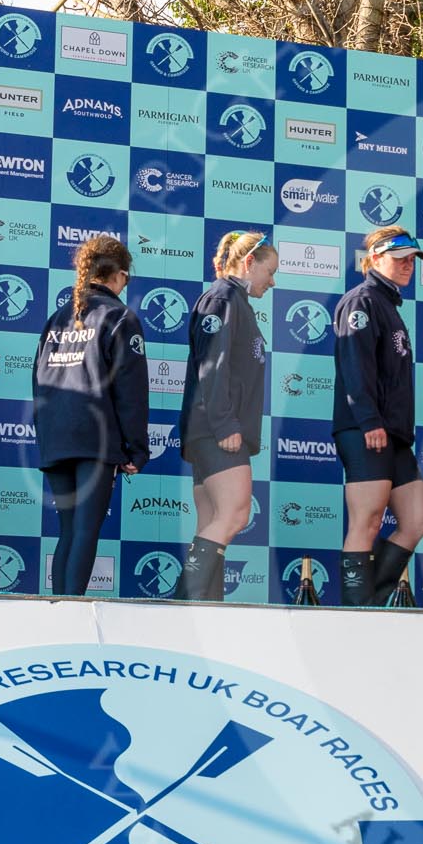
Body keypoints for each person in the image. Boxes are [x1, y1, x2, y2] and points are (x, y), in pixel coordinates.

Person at [32, 236, 150, 596]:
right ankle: (72, 609)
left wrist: (47, 433)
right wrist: (136, 448)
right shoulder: (119, 316)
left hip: (55, 437)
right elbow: (131, 391)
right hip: (94, 440)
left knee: (69, 529)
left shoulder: (59, 316)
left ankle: (60, 607)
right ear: (121, 276)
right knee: (85, 529)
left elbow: (38, 378)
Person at [334, 226, 423, 606]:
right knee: (367, 521)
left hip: (394, 434)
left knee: (417, 521)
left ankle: (371, 603)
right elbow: (355, 366)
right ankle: (355, 614)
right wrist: (369, 420)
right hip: (365, 428)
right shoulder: (362, 301)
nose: (408, 266)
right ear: (374, 258)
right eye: (400, 258)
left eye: (412, 260)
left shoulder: (388, 304)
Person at [176, 230, 274, 601]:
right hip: (217, 429)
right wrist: (226, 424)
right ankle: (181, 602)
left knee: (212, 522)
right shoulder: (223, 298)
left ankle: (206, 613)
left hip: (211, 429)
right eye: (269, 270)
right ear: (249, 263)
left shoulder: (235, 300)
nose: (272, 280)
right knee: (234, 515)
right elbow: (212, 367)